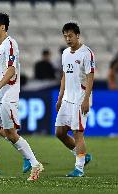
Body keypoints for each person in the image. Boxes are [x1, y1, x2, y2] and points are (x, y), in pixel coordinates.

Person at [0, 13, 43, 181]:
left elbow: (11, 70)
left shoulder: (10, 44)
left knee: (10, 133)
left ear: (3, 27)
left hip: (8, 94)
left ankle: (35, 164)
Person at [55, 22, 93, 177]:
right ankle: (83, 156)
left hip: (80, 98)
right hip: (67, 99)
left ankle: (79, 168)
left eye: (70, 35)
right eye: (65, 36)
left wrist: (86, 100)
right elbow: (64, 76)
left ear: (77, 35)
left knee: (78, 133)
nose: (68, 39)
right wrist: (60, 97)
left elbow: (91, 77)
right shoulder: (65, 53)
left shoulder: (86, 53)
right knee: (59, 132)